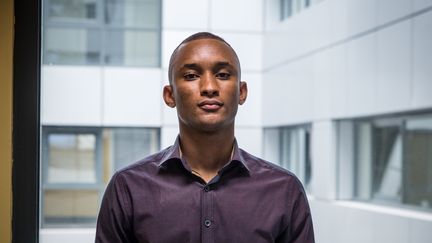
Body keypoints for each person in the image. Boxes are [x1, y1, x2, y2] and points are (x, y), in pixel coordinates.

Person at [95, 32, 315, 243]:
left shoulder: (284, 189)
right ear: (170, 95)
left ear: (241, 92)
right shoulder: (128, 188)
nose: (209, 87)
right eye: (191, 76)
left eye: (223, 75)